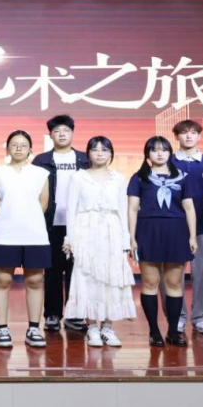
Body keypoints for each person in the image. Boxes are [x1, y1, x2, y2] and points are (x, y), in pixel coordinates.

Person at [62, 136, 135, 348]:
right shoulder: (79, 177)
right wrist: (70, 238)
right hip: (86, 232)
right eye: (95, 149)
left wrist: (125, 240)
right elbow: (71, 210)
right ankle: (92, 328)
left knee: (112, 279)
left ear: (111, 153)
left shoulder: (118, 179)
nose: (100, 153)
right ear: (88, 153)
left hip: (112, 233)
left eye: (105, 149)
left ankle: (108, 328)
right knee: (88, 279)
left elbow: (122, 209)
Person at [128, 136, 197, 348]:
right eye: (154, 150)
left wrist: (192, 236)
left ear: (170, 153)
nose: (159, 154)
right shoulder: (139, 177)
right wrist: (132, 237)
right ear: (147, 154)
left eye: (164, 150)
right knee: (150, 283)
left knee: (174, 283)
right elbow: (132, 209)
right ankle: (154, 331)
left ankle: (173, 331)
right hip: (148, 230)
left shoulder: (182, 177)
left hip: (176, 231)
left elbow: (189, 208)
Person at [0, 130, 52, 349]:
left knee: (35, 280)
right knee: (2, 280)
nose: (18, 148)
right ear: (7, 148)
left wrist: (28, 220)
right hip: (6, 235)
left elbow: (43, 203)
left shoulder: (40, 173)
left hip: (35, 234)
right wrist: (7, 221)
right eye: (14, 144)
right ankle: (2, 328)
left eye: (23, 145)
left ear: (30, 149)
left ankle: (33, 328)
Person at [32, 115, 91, 333]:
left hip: (80, 223)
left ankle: (75, 314)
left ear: (73, 133)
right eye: (57, 131)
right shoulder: (41, 161)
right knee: (52, 271)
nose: (62, 134)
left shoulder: (85, 160)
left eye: (66, 130)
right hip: (51, 223)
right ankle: (52, 315)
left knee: (78, 271)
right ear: (50, 135)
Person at [169, 120, 203, 336]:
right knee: (173, 274)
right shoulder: (168, 162)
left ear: (199, 136)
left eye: (193, 133)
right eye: (183, 133)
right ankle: (176, 317)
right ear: (176, 136)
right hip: (173, 227)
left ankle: (202, 317)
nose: (188, 136)